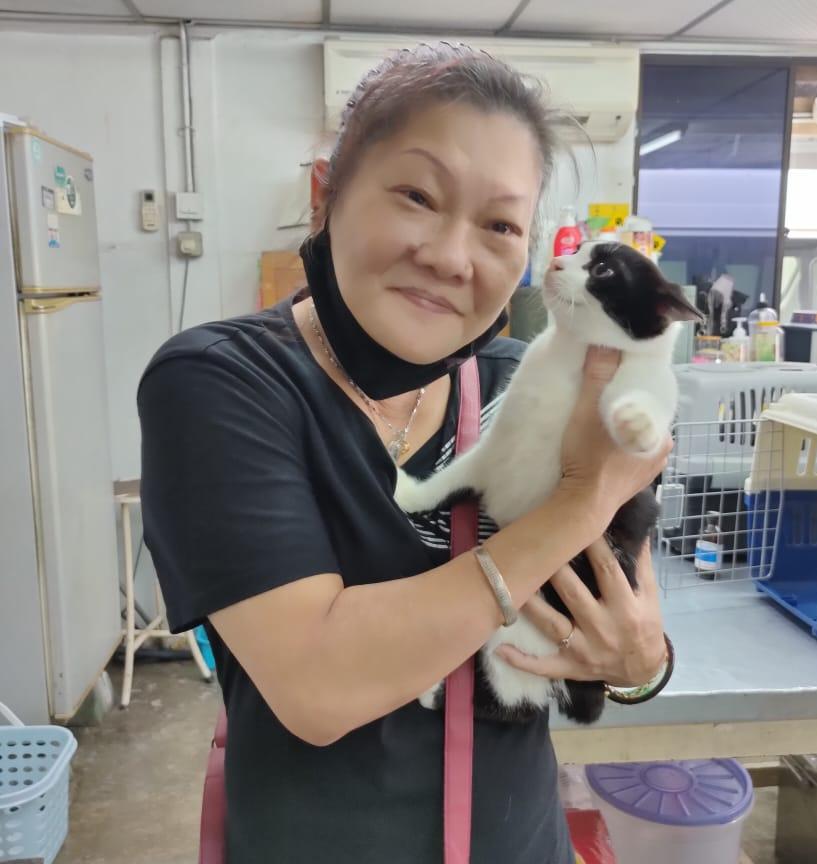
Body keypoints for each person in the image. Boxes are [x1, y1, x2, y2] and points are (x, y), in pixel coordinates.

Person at [138, 42, 671, 864]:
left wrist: (640, 668)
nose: (452, 257)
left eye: (500, 225)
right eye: (418, 196)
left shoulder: (525, 380)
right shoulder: (223, 384)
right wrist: (580, 500)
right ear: (326, 194)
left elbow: (633, 616)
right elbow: (318, 686)